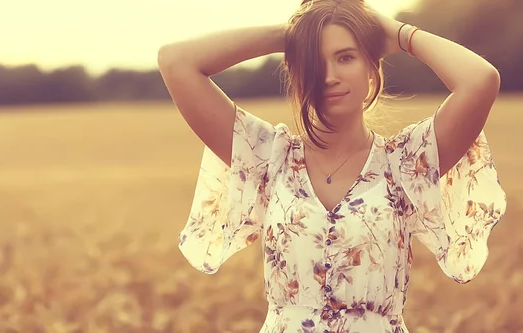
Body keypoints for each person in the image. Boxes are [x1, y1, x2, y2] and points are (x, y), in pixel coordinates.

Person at [157, 0, 506, 332]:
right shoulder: (267, 157)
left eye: (346, 57)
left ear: (372, 67)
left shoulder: (406, 162)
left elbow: (480, 80)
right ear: (296, 72)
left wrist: (396, 32)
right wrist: (296, 33)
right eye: (314, 62)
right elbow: (176, 61)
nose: (329, 76)